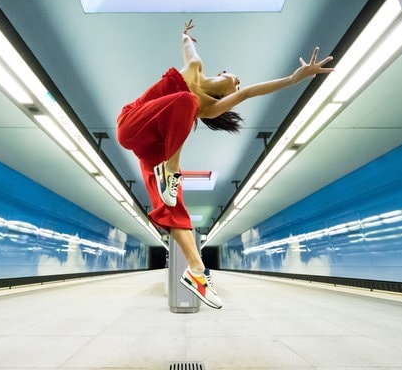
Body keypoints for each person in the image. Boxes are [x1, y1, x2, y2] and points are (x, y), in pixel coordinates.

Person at [116, 20, 334, 309]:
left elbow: (250, 92)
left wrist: (293, 80)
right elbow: (188, 49)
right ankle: (171, 172)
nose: (237, 81)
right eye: (236, 77)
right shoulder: (194, 71)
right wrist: (185, 34)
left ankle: (196, 271)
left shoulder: (210, 107)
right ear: (221, 76)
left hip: (154, 146)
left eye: (237, 81)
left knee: (174, 208)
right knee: (186, 100)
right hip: (133, 123)